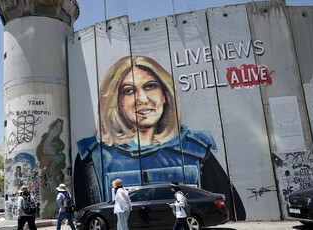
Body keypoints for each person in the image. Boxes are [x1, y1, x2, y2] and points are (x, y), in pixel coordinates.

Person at [74, 56, 246, 220]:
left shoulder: (197, 150)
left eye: (150, 86)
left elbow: (232, 211)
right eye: (129, 91)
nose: (142, 98)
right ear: (116, 101)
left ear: (165, 94)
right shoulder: (93, 157)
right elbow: (89, 214)